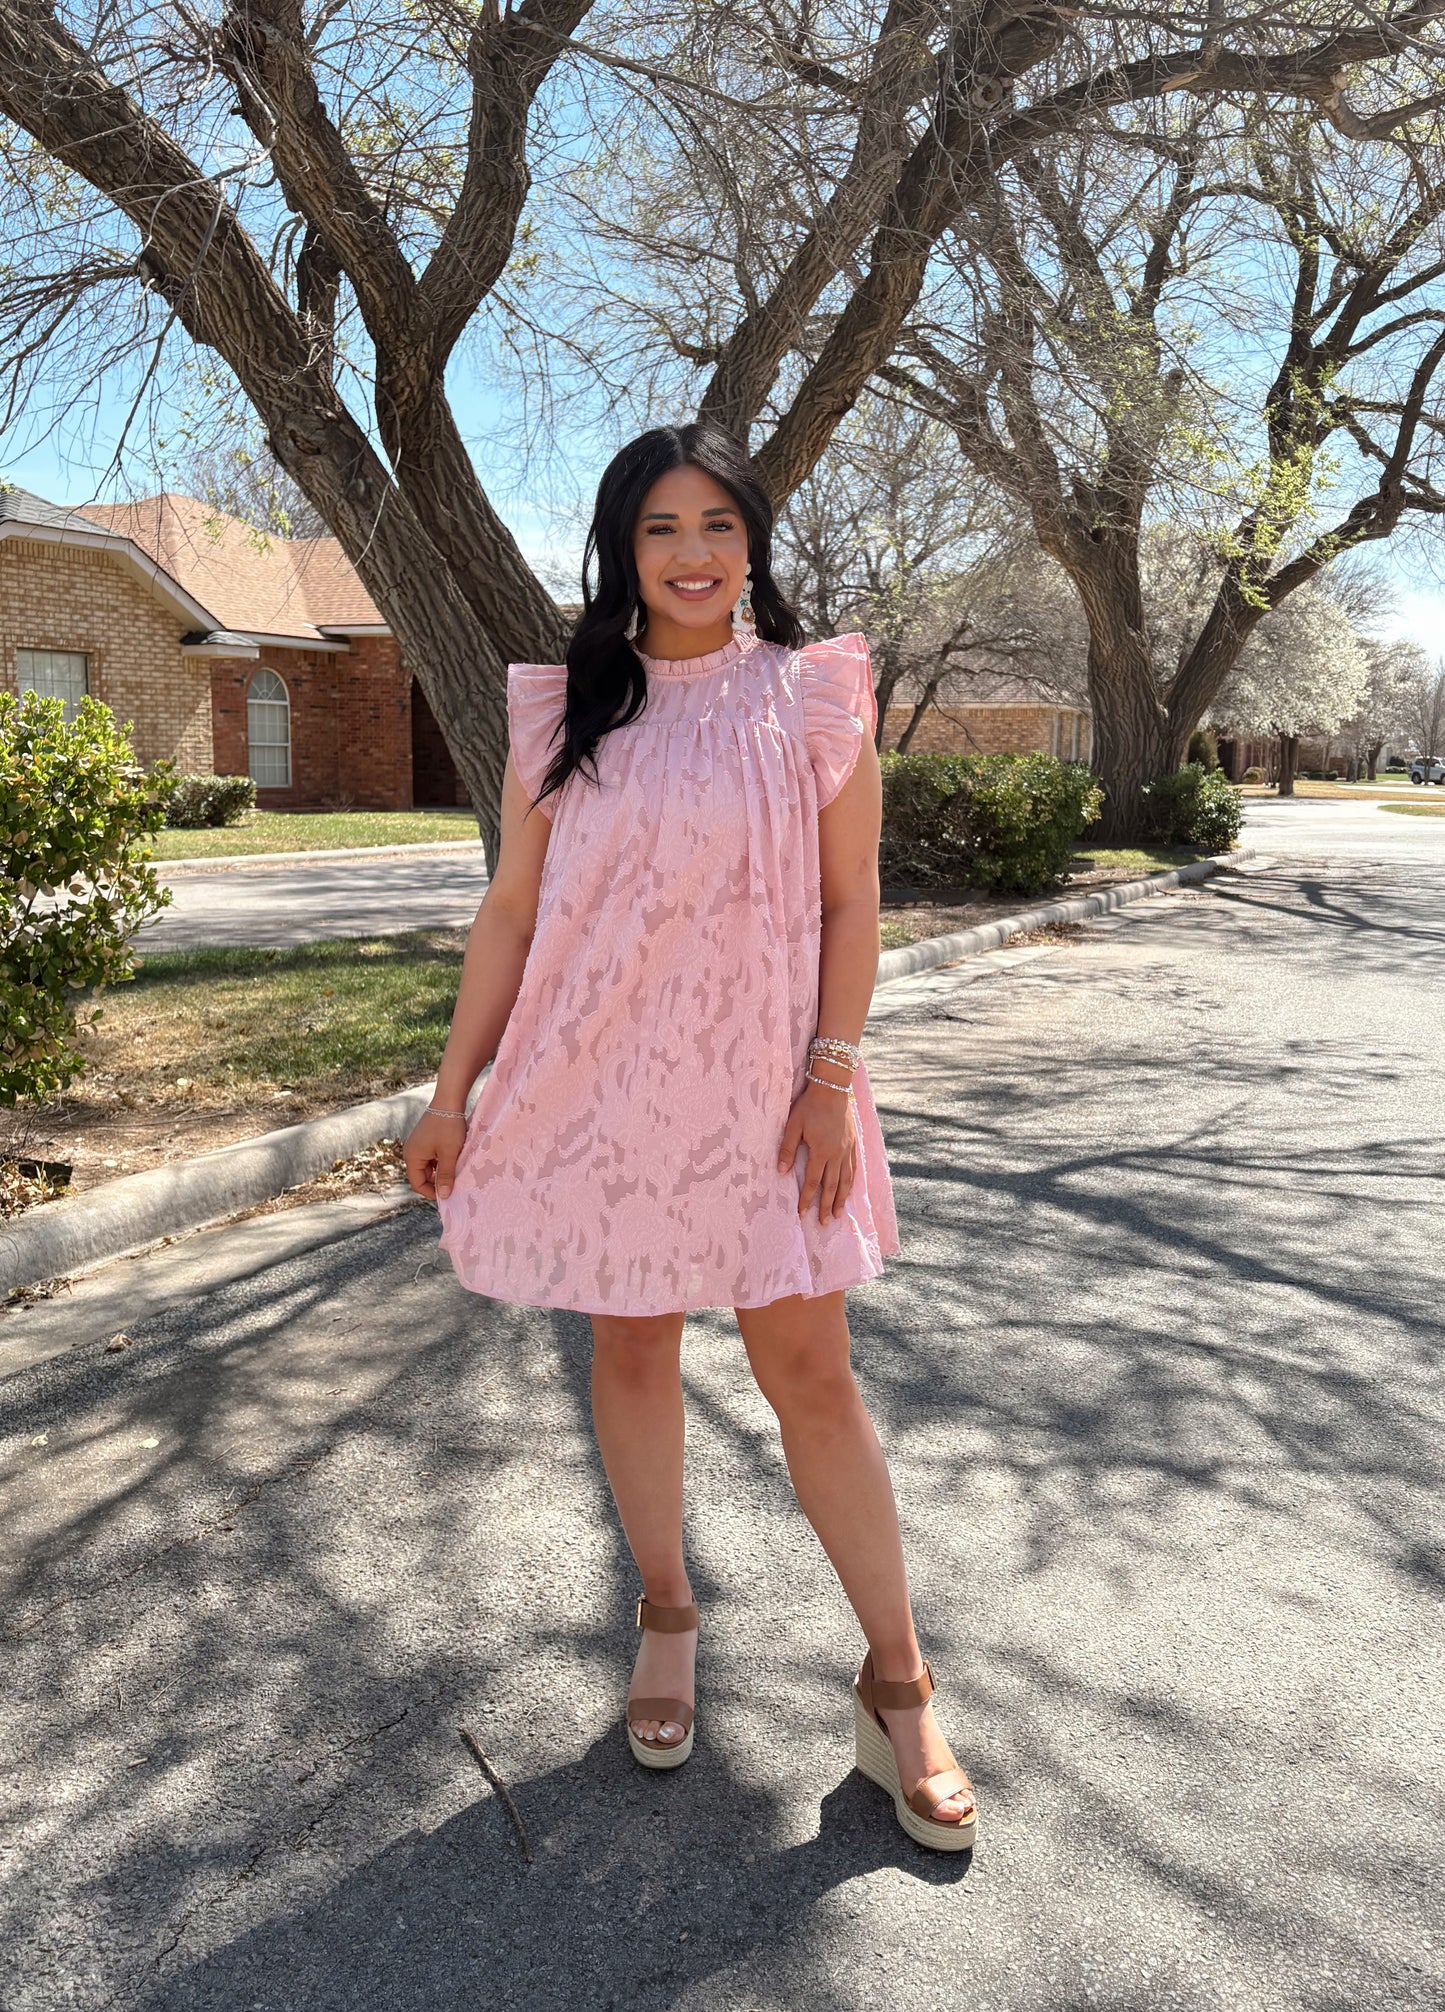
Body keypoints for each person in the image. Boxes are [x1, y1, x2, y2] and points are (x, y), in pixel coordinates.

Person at [403, 422, 976, 1851]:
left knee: (814, 1375)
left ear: (753, 541)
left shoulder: (813, 694)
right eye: (659, 527)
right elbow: (513, 911)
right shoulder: (566, 707)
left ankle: (897, 1677)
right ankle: (667, 1613)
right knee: (632, 1350)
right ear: (621, 548)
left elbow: (852, 901)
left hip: (772, 1094)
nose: (692, 552)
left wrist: (831, 1076)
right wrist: (451, 1091)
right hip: (599, 1087)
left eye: (717, 523)